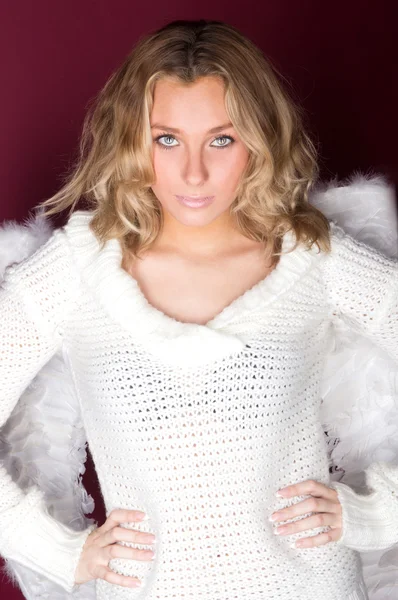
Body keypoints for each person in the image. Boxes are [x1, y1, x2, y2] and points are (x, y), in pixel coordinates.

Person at [0, 18, 397, 600]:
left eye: (221, 139)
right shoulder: (75, 270)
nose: (193, 172)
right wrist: (55, 548)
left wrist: (377, 513)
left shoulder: (315, 258)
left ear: (259, 139)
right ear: (133, 140)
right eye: (167, 139)